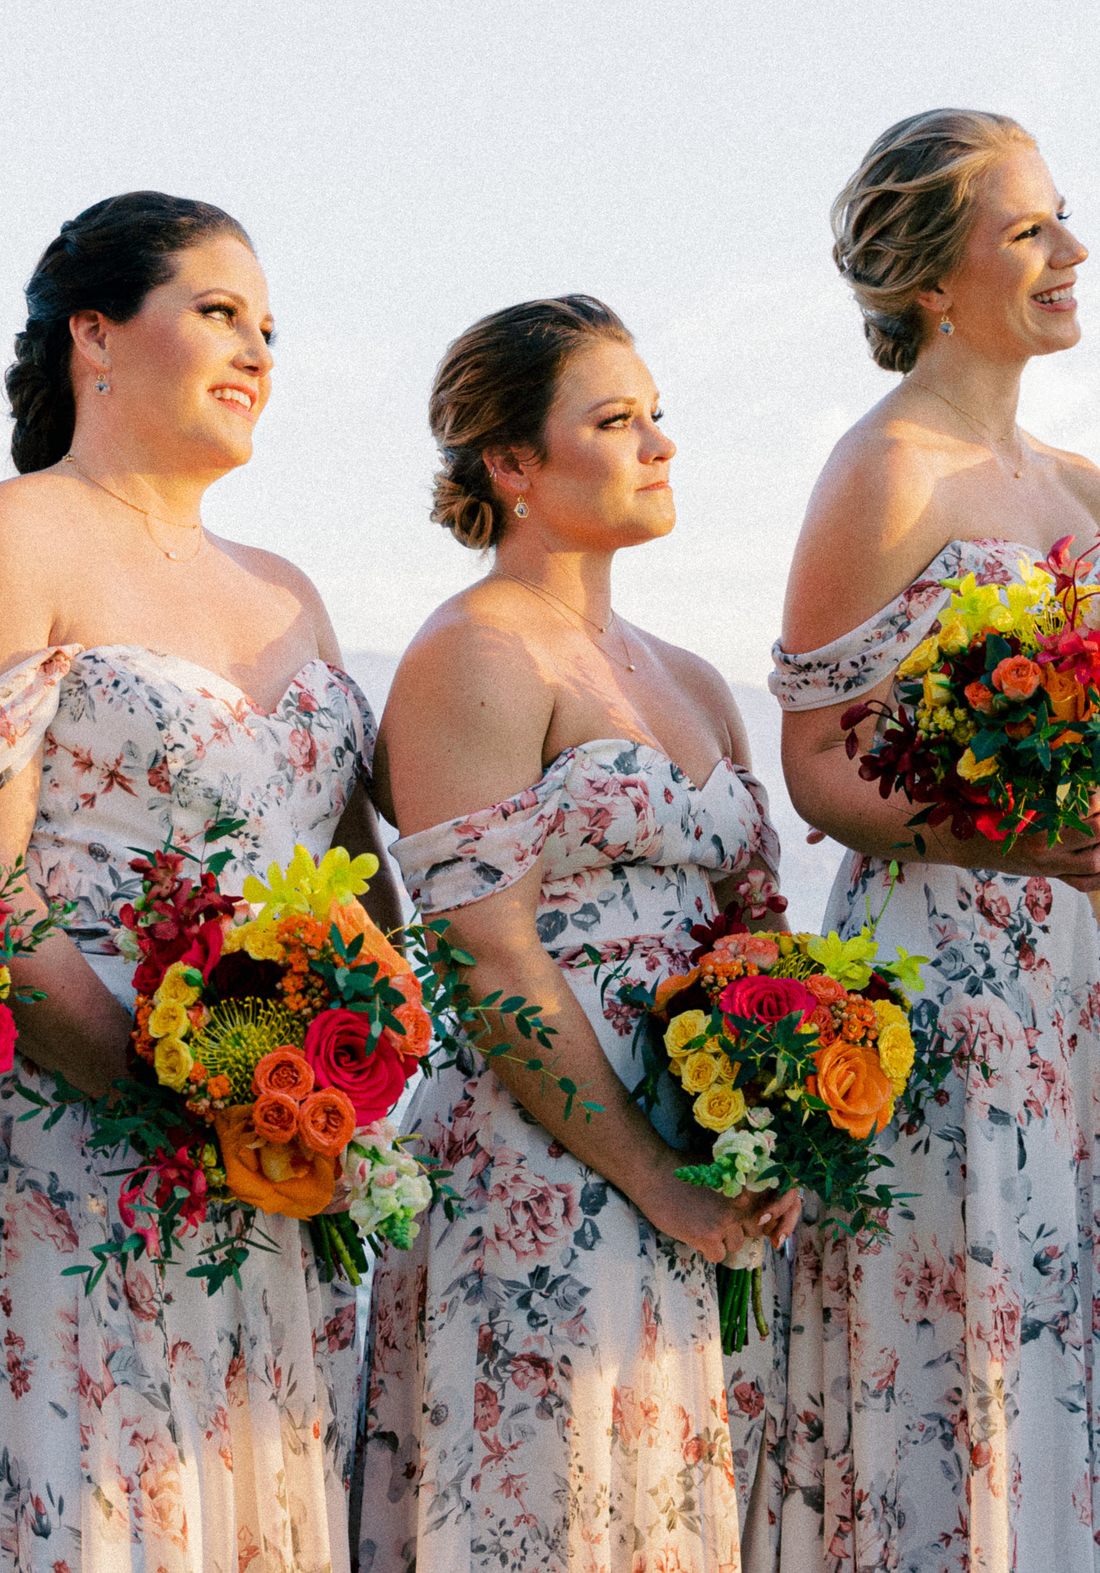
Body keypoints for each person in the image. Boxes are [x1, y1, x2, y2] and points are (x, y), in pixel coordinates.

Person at [0, 191, 393, 1571]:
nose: (258, 347)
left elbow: (354, 888)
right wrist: (173, 1091)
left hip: (278, 1164)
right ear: (94, 335)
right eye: (218, 309)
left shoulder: (289, 590)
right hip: (68, 1144)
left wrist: (336, 1089)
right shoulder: (12, 534)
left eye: (269, 325)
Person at [768, 109, 1100, 1570]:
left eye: (1063, 217)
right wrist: (1002, 845)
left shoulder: (1084, 490)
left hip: (1094, 947)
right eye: (1029, 230)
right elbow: (818, 764)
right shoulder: (883, 472)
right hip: (952, 962)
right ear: (932, 281)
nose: (1073, 250)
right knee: (974, 1322)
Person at [353, 296, 801, 1572]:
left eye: (658, 414)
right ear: (513, 467)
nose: (659, 443)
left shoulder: (694, 677)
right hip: (554, 1161)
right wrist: (650, 1177)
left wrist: (778, 1112)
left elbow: (757, 931)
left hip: (711, 1156)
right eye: (614, 420)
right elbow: (483, 955)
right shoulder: (474, 653)